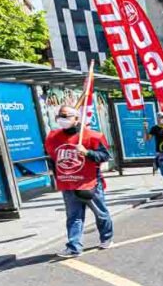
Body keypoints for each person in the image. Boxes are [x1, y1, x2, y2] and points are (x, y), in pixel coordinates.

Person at [44, 105, 114, 258]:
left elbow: (105, 156)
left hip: (90, 183)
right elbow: (53, 159)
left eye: (67, 116)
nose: (63, 119)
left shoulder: (93, 136)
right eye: (61, 116)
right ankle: (74, 246)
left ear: (77, 119)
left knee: (100, 213)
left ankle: (106, 238)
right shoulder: (52, 137)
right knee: (73, 216)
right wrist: (57, 179)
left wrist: (87, 152)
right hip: (68, 184)